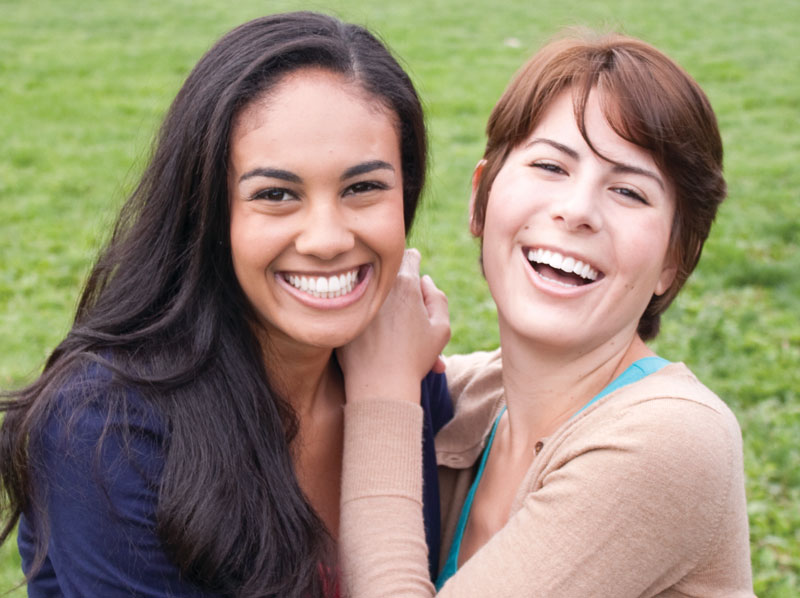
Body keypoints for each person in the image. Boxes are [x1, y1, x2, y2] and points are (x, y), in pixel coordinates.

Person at [0, 12, 453, 597]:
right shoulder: (106, 432)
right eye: (275, 195)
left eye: (363, 188)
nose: (328, 239)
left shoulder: (397, 379)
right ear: (208, 209)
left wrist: (391, 391)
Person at [337, 31, 755, 596]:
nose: (577, 210)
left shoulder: (670, 440)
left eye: (630, 192)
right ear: (481, 198)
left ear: (673, 261)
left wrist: (382, 392)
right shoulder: (470, 398)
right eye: (551, 167)